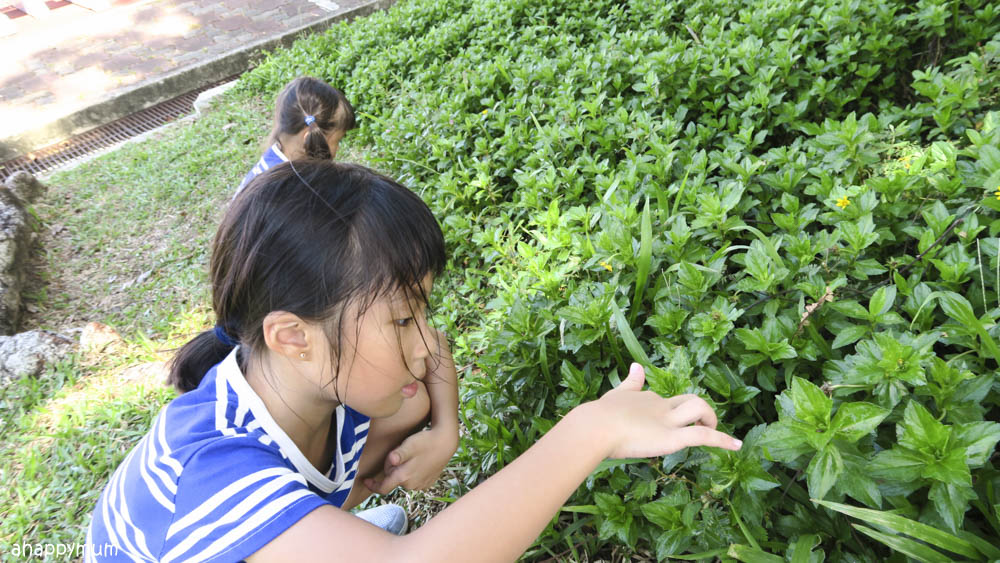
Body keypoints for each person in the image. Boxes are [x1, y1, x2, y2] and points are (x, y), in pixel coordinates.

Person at [87, 161, 742, 562]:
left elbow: (434, 363)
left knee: (410, 407)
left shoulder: (308, 380)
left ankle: (333, 532)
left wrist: (445, 427)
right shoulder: (211, 468)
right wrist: (590, 429)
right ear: (292, 335)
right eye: (403, 320)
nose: (426, 343)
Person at [234, 76, 357, 196]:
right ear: (309, 137)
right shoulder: (289, 188)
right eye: (338, 140)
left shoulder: (274, 158)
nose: (338, 148)